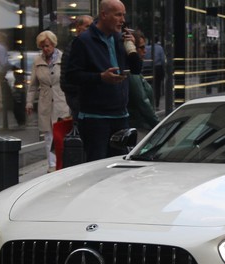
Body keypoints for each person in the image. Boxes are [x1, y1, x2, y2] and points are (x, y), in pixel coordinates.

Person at [66, 0, 143, 162]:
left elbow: (136, 69)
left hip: (121, 116)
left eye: (123, 15)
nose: (122, 20)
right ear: (103, 15)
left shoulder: (120, 39)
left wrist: (131, 47)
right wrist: (101, 77)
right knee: (97, 166)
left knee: (119, 166)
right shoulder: (84, 41)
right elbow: (71, 76)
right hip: (95, 118)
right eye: (118, 15)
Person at [26, 30, 70, 173]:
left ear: (53, 44)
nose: (45, 49)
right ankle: (51, 164)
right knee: (48, 135)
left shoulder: (63, 59)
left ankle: (62, 163)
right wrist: (29, 102)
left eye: (47, 46)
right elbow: (32, 85)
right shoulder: (37, 62)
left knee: (61, 133)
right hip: (45, 101)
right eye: (42, 46)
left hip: (61, 100)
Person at [60, 14, 93, 121]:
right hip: (78, 98)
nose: (91, 30)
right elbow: (67, 78)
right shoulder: (75, 46)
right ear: (78, 28)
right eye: (87, 26)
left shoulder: (86, 45)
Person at [127, 30, 159, 139]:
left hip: (140, 125)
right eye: (141, 47)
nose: (145, 51)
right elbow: (142, 101)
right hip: (138, 127)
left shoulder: (135, 72)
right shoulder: (132, 73)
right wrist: (158, 125)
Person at [152, 37, 166, 109]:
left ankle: (151, 104)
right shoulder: (160, 48)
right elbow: (163, 60)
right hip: (158, 69)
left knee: (150, 87)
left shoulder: (147, 47)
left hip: (149, 69)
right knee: (158, 87)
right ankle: (157, 104)